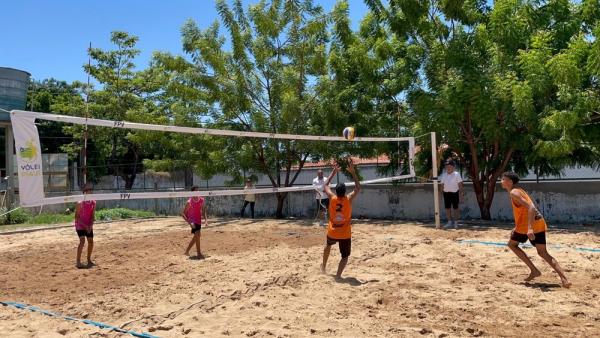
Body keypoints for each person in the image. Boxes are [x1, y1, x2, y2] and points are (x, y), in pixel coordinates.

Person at [501, 172, 571, 288]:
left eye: (503, 179)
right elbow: (526, 210)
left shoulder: (514, 192)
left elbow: (531, 208)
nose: (501, 181)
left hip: (527, 226)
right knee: (543, 253)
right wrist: (517, 227)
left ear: (510, 182)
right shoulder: (519, 190)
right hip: (538, 222)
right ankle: (564, 279)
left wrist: (529, 228)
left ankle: (534, 270)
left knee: (512, 245)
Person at [320, 162, 361, 280]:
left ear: (336, 191)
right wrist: (353, 172)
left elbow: (326, 186)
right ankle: (338, 275)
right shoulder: (348, 199)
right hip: (344, 233)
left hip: (333, 231)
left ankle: (323, 267)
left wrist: (333, 173)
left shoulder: (332, 198)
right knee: (345, 256)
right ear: (345, 191)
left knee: (328, 245)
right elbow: (358, 188)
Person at [182, 186, 208, 259]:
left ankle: (187, 251)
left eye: (198, 191)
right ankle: (199, 253)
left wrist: (206, 220)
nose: (197, 192)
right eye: (196, 191)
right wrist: (190, 223)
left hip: (198, 220)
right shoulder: (189, 202)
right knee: (197, 235)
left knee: (197, 236)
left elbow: (203, 211)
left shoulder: (201, 200)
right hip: (192, 220)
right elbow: (183, 213)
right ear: (192, 192)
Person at [74, 184, 96, 269]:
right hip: (80, 224)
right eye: (88, 190)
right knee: (82, 241)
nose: (90, 191)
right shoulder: (80, 203)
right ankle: (78, 262)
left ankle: (89, 260)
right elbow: (76, 217)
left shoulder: (93, 202)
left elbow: (92, 216)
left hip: (88, 224)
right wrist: (85, 226)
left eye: (91, 190)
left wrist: (90, 225)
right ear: (85, 192)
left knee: (91, 241)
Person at [440, 160, 464, 228]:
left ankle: (456, 222)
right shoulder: (444, 175)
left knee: (455, 208)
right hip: (446, 193)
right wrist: (440, 194)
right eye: (447, 167)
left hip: (455, 193)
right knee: (447, 208)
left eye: (450, 166)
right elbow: (442, 184)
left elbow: (460, 184)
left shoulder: (457, 174)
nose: (448, 168)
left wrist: (461, 194)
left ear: (453, 167)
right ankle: (449, 222)